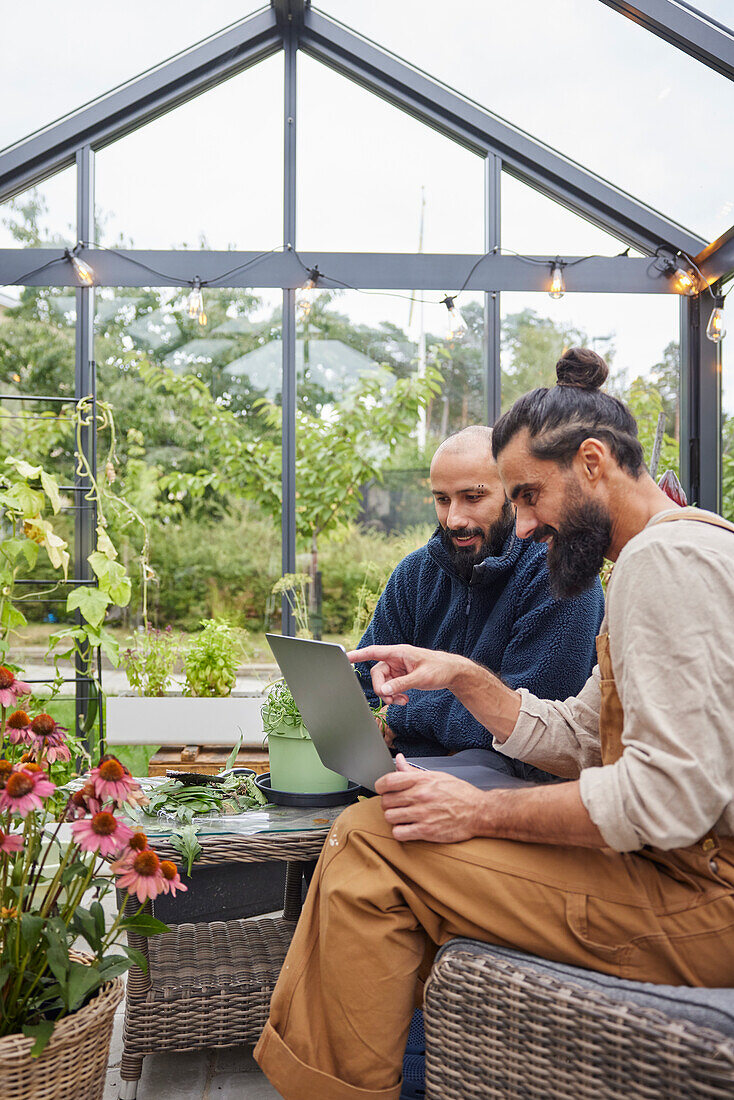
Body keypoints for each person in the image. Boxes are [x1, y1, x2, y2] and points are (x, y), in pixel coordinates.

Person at [255, 347, 734, 1100]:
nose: (525, 522)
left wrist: (478, 811)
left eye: (528, 495)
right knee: (379, 834)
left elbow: (666, 799)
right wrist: (470, 679)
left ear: (593, 462)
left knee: (373, 843)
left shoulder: (664, 563)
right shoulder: (658, 555)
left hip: (705, 900)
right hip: (680, 876)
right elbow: (581, 735)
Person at [354, 425, 605, 781]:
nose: (454, 519)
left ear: (513, 495)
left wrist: (400, 716)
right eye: (442, 499)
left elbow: (528, 727)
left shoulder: (561, 575)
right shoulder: (414, 574)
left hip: (522, 788)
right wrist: (383, 718)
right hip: (404, 770)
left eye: (473, 497)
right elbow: (363, 688)